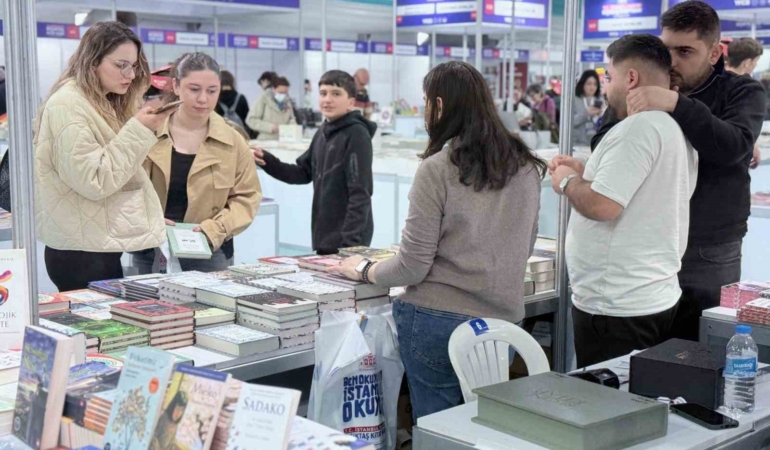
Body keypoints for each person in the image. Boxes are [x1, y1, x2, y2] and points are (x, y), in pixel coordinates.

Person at [328, 61, 546, 420]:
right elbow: (523, 243)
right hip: (502, 324)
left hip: (436, 320)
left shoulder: (439, 168)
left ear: (440, 106)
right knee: (483, 427)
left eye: (427, 102)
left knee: (437, 428)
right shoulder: (525, 165)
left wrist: (364, 269)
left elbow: (412, 266)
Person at [593, 1, 766, 342]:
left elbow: (733, 146)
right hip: (644, 245)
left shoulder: (742, 91)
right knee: (640, 353)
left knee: (696, 351)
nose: (671, 61)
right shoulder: (641, 87)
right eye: (666, 49)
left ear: (715, 53)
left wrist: (674, 103)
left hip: (708, 246)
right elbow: (604, 143)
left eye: (685, 51)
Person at [551, 34, 698, 368]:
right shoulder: (675, 128)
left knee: (607, 407)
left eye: (609, 77)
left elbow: (603, 205)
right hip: (647, 295)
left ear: (630, 77)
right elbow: (646, 193)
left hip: (617, 305)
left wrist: (568, 182)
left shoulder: (638, 128)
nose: (606, 88)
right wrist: (588, 170)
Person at [34, 22, 173, 291]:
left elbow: (114, 172)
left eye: (133, 66)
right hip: (82, 254)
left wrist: (147, 214)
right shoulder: (69, 104)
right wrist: (140, 129)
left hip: (95, 243)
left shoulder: (97, 101)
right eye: (121, 65)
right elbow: (94, 180)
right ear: (93, 61)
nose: (130, 74)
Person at [134, 53, 261, 273]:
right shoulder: (146, 131)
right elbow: (122, 188)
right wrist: (145, 219)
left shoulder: (233, 141)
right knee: (147, 306)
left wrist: (214, 229)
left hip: (210, 250)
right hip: (150, 247)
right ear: (175, 86)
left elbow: (246, 197)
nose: (203, 99)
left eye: (212, 91)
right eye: (194, 89)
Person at [251, 70, 376, 255]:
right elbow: (302, 173)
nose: (327, 99)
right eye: (323, 93)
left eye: (336, 94)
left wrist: (350, 247)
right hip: (324, 236)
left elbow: (360, 194)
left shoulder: (356, 134)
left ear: (351, 102)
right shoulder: (323, 132)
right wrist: (267, 160)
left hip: (348, 242)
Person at [725, 38, 764, 169]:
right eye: (756, 61)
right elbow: (742, 129)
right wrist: (750, 144)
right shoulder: (750, 88)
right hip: (734, 169)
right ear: (747, 62)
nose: (756, 66)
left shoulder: (712, 80)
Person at [246, 76, 296, 141]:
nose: (283, 95)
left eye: (285, 93)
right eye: (280, 92)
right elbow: (251, 120)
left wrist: (292, 125)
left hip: (284, 139)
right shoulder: (263, 99)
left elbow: (291, 118)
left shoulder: (287, 101)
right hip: (266, 140)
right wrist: (270, 127)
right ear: (273, 89)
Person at [215, 69, 253, 138]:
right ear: (232, 82)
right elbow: (248, 120)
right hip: (239, 136)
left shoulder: (215, 99)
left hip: (220, 136)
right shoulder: (241, 98)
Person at [573, 70, 604, 146]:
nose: (592, 87)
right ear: (582, 84)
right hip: (576, 143)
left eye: (595, 84)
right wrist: (586, 113)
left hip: (595, 143)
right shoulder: (573, 100)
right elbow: (569, 122)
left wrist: (601, 115)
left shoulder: (600, 100)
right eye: (589, 84)